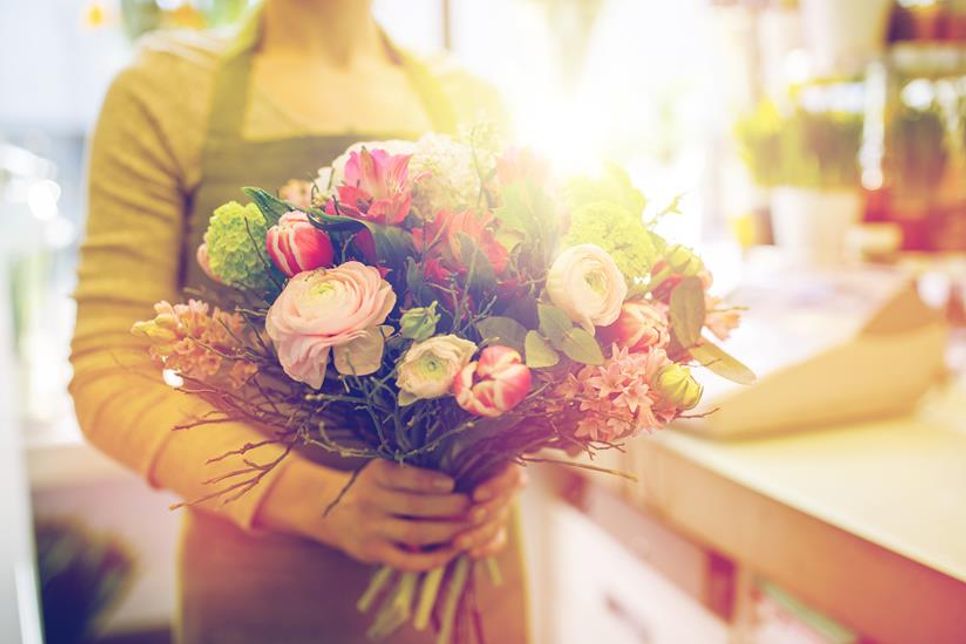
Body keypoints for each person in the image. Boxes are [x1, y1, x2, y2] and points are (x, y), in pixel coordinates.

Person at [69, 1, 529, 641]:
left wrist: (503, 455)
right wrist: (313, 500)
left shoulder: (470, 100)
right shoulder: (165, 91)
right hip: (266, 594)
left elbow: (519, 330)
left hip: (470, 591)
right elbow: (109, 372)